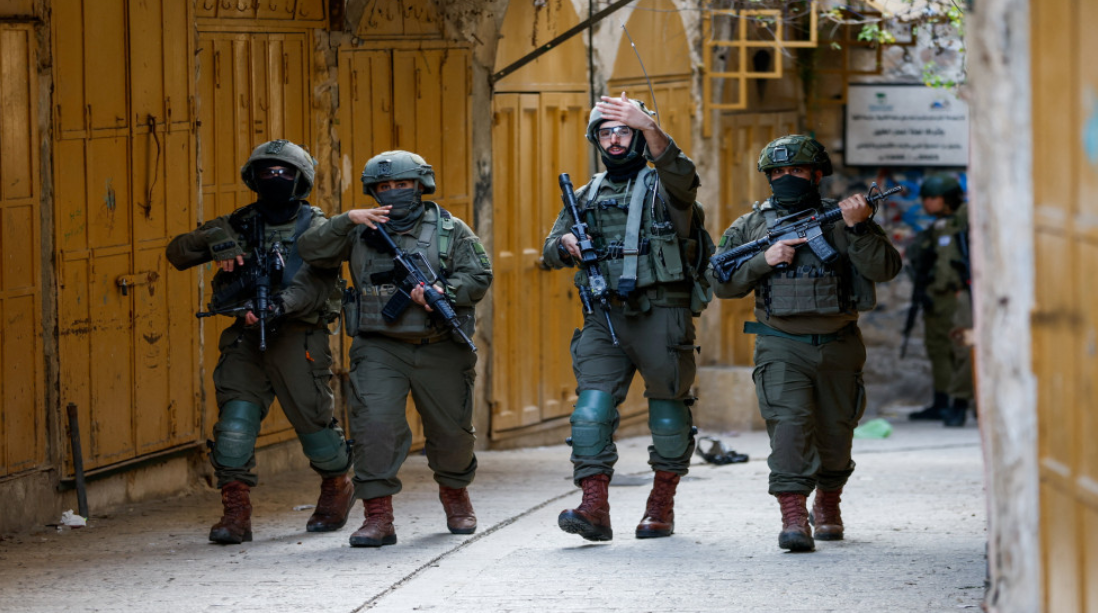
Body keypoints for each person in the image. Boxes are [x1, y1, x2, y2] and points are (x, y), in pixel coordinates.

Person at [705, 135, 902, 552]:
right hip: (781, 344)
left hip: (839, 343)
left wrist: (860, 226)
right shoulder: (751, 226)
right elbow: (721, 284)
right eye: (777, 172)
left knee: (836, 432)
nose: (786, 178)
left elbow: (885, 269)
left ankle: (827, 503)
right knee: (789, 428)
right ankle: (793, 516)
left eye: (796, 170)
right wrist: (764, 260)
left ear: (816, 175)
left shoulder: (844, 219)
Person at [297, 150, 493, 548]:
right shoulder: (358, 230)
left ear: (420, 186)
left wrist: (443, 290)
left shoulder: (449, 229)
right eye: (384, 186)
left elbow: (479, 274)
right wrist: (346, 219)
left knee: (453, 434)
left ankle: (455, 493)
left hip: (440, 345)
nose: (393, 192)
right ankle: (377, 516)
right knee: (375, 428)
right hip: (379, 346)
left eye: (402, 184)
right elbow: (310, 250)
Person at [541, 93, 711, 542]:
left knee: (668, 411)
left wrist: (650, 125)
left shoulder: (666, 188)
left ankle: (661, 504)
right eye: (606, 133)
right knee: (589, 413)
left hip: (661, 311)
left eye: (623, 131)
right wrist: (564, 245)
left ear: (638, 136)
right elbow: (549, 250)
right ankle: (594, 507)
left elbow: (683, 174)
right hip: (604, 315)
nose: (614, 140)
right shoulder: (585, 194)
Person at [166, 139, 354, 544]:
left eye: (284, 172)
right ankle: (235, 511)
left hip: (298, 335)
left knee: (314, 424)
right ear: (253, 178)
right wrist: (215, 238)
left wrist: (278, 306)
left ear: (300, 180)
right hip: (245, 337)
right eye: (266, 172)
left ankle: (337, 485)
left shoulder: (317, 228)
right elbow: (177, 252)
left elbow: (314, 284)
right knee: (234, 425)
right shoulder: (239, 222)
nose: (275, 178)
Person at [905, 174, 973, 426]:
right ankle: (941, 401)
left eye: (931, 198)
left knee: (961, 348)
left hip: (958, 293)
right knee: (937, 349)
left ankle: (960, 403)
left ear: (946, 199)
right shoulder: (938, 226)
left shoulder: (964, 218)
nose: (925, 203)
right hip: (936, 295)